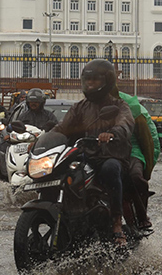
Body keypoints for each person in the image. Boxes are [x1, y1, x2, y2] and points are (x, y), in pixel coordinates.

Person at [52, 59, 135, 246]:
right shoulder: (79, 107)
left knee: (111, 169)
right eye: (87, 80)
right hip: (86, 155)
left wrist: (113, 133)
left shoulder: (120, 106)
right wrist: (42, 139)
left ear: (107, 82)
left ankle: (116, 222)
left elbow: (126, 123)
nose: (90, 84)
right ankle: (68, 216)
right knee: (64, 170)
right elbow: (62, 128)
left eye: (95, 81)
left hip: (111, 155)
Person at [118, 86, 160, 231]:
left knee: (135, 177)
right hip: (101, 152)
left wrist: (147, 170)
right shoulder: (86, 106)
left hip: (132, 151)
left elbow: (151, 142)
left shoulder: (134, 110)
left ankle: (141, 217)